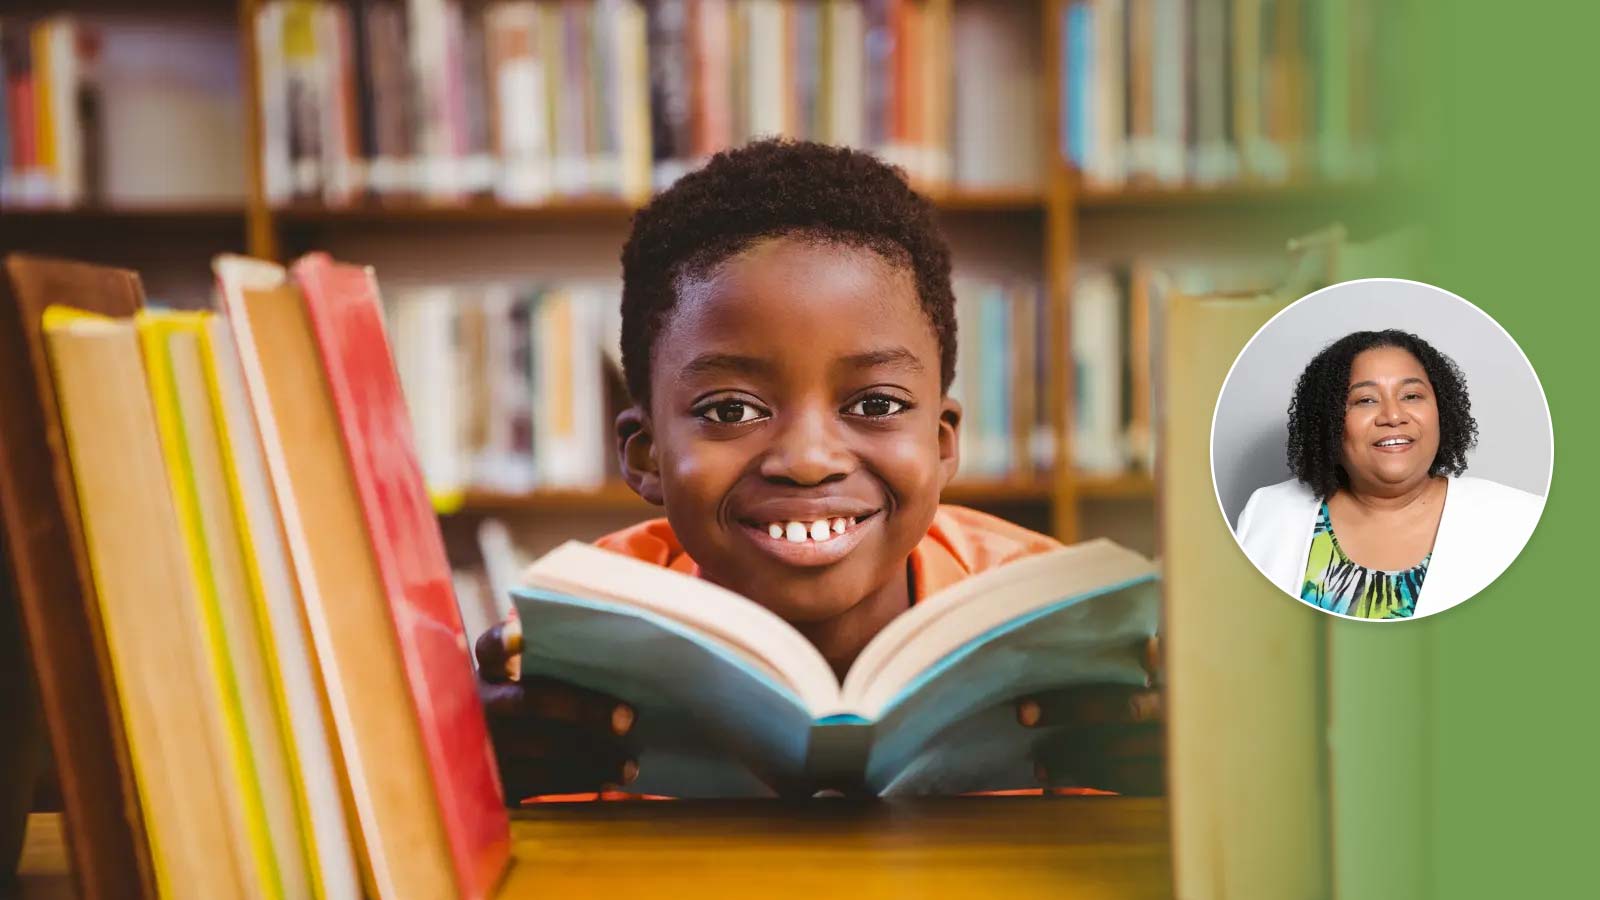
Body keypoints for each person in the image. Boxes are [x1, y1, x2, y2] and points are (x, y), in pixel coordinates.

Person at [475, 139, 1161, 801]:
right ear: (645, 455)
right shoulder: (582, 641)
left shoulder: (1052, 625)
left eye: (876, 403)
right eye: (729, 411)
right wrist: (469, 767)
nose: (806, 461)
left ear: (943, 443)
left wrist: (1181, 766)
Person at [1236, 329, 1543, 620]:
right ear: (1330, 420)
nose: (1393, 416)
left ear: (1441, 411)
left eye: (1411, 396)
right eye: (1365, 400)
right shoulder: (1267, 513)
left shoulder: (1524, 521)